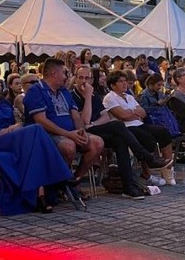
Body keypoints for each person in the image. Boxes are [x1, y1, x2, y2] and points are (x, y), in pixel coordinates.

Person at [0, 70, 74, 214]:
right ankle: (62, 177)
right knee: (37, 130)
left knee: (35, 145)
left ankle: (40, 194)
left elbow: (19, 122)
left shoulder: (5, 103)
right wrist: (9, 130)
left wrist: (16, 128)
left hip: (15, 137)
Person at [72, 65, 171, 198]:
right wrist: (88, 97)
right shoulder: (74, 95)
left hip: (95, 127)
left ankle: (128, 187)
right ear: (75, 79)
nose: (84, 81)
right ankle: (147, 158)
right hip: (83, 132)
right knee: (118, 125)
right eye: (81, 78)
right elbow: (84, 121)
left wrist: (93, 123)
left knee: (121, 140)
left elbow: (105, 116)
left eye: (87, 78)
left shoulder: (96, 95)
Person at [22, 57, 104, 196]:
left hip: (69, 134)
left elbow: (75, 115)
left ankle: (73, 181)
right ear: (54, 73)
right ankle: (59, 184)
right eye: (64, 73)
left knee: (97, 142)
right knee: (68, 146)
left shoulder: (64, 92)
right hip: (46, 136)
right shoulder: (36, 91)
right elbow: (41, 121)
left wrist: (80, 131)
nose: (67, 77)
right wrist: (69, 134)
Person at [109, 71, 176, 185]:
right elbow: (122, 116)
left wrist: (131, 112)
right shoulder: (110, 98)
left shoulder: (129, 97)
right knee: (147, 139)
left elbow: (143, 113)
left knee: (163, 132)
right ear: (112, 85)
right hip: (125, 127)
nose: (124, 84)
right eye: (121, 81)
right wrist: (134, 113)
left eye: (125, 81)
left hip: (138, 123)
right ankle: (147, 173)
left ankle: (167, 168)